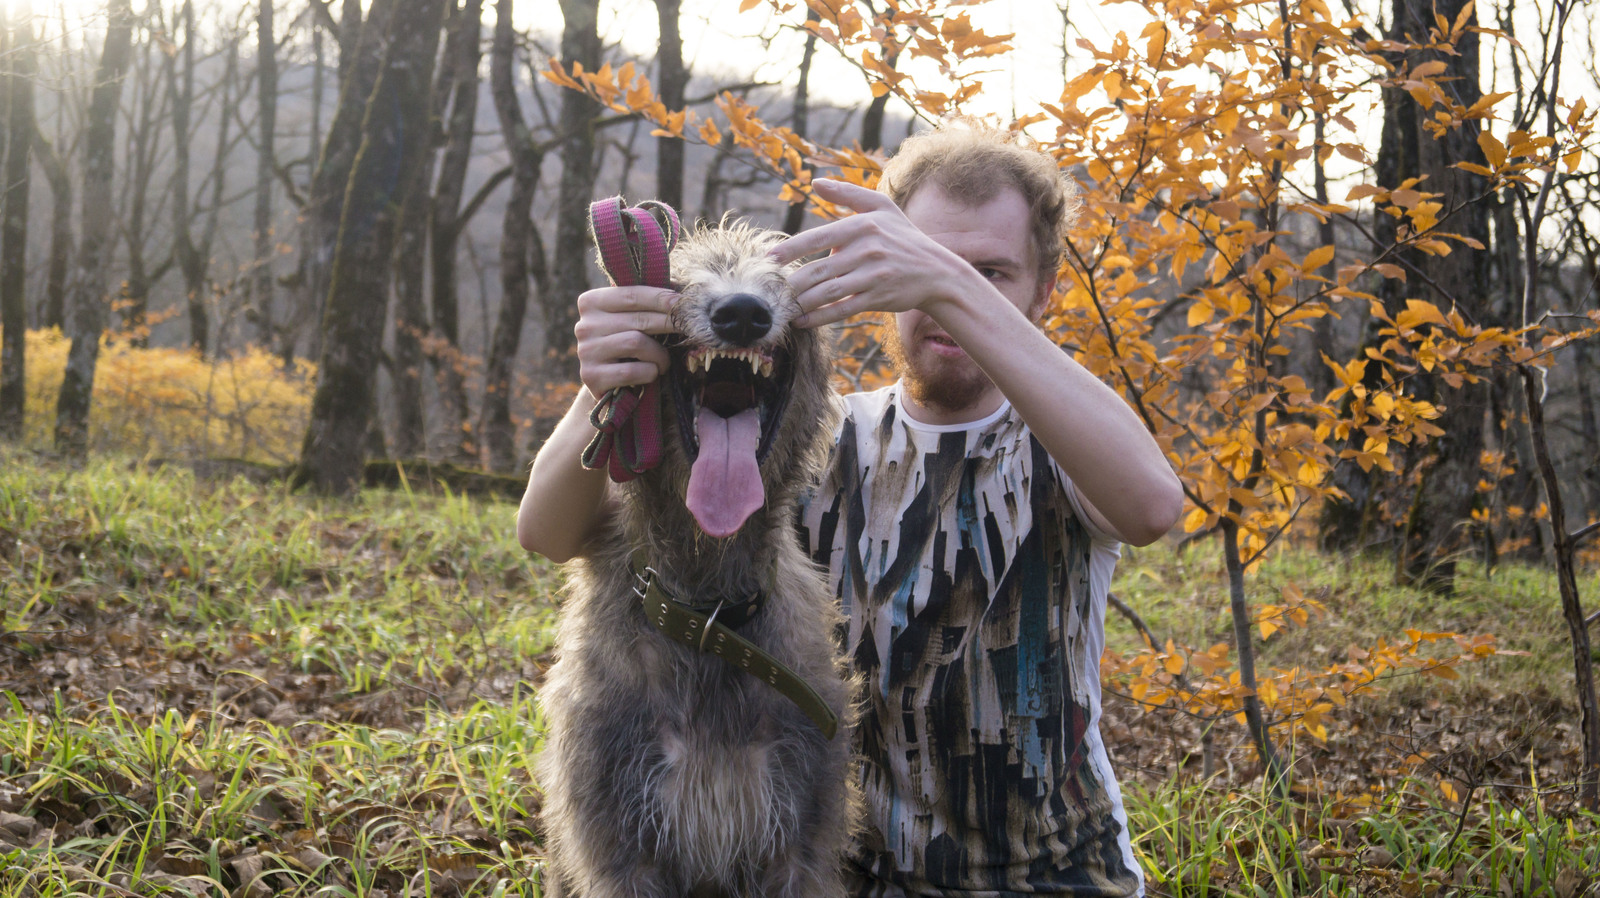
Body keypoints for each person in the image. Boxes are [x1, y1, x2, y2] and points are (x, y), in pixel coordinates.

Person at [518, 120, 1183, 897]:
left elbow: (1150, 505)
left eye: (988, 273)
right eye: (926, 261)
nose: (946, 297)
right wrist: (606, 381)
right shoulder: (819, 438)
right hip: (857, 878)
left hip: (1052, 880)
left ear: (1045, 289)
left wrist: (944, 283)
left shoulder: (1064, 439)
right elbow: (548, 531)